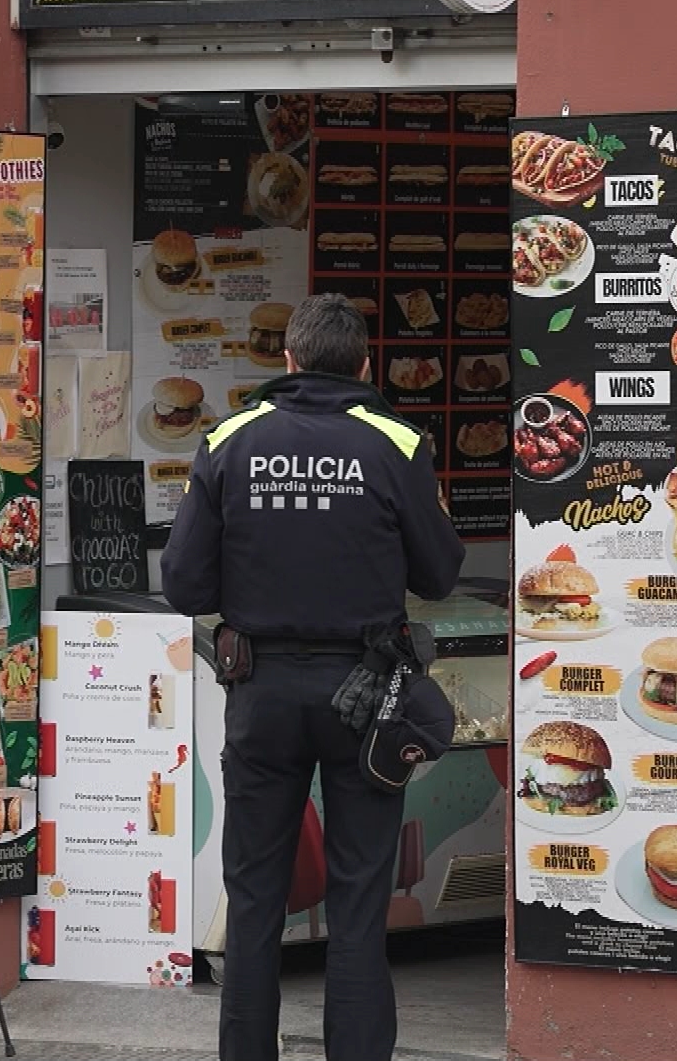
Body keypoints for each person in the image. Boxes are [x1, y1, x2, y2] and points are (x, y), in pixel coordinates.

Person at [161, 293, 463, 1061]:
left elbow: (186, 589)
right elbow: (438, 574)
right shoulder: (397, 442)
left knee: (256, 900)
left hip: (259, 693)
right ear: (365, 365)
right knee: (360, 904)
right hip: (368, 697)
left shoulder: (229, 438)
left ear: (287, 360)